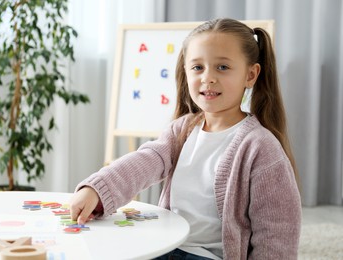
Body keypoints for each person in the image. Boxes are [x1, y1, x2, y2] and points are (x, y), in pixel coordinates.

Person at [70, 18, 301, 259]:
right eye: (198, 67)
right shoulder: (180, 130)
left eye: (222, 67)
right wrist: (97, 189)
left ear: (251, 75)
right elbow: (142, 162)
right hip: (165, 246)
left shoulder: (261, 147)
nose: (208, 78)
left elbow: (277, 232)